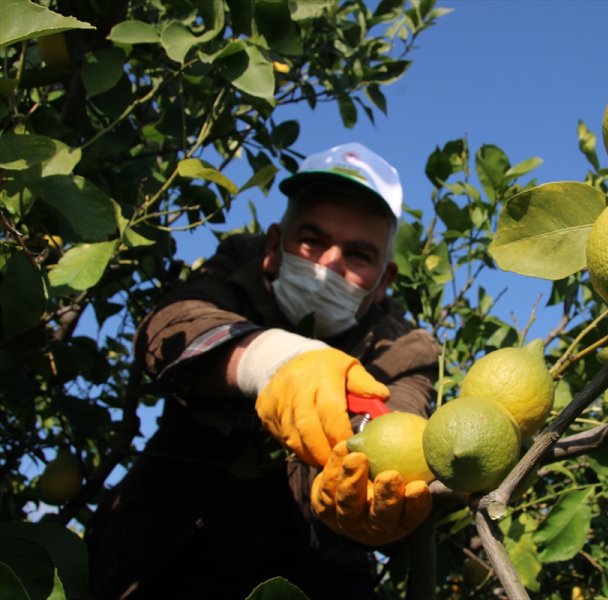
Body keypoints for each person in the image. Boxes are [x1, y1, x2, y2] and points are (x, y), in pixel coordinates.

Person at [85, 142, 442, 599]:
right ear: (274, 246)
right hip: (151, 555)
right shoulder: (237, 269)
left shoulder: (404, 348)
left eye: (357, 254)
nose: (328, 264)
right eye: (312, 240)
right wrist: (271, 357)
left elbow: (394, 428)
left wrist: (349, 495)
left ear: (383, 282)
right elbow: (171, 325)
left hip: (302, 576)